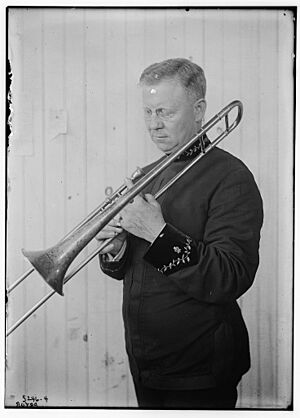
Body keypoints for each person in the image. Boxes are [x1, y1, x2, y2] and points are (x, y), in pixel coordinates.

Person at [96, 58, 263, 409]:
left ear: (199, 110)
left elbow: (230, 276)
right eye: (148, 112)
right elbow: (136, 269)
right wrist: (116, 250)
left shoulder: (231, 177)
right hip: (146, 362)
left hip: (199, 369)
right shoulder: (147, 174)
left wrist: (157, 233)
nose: (154, 125)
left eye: (165, 113)